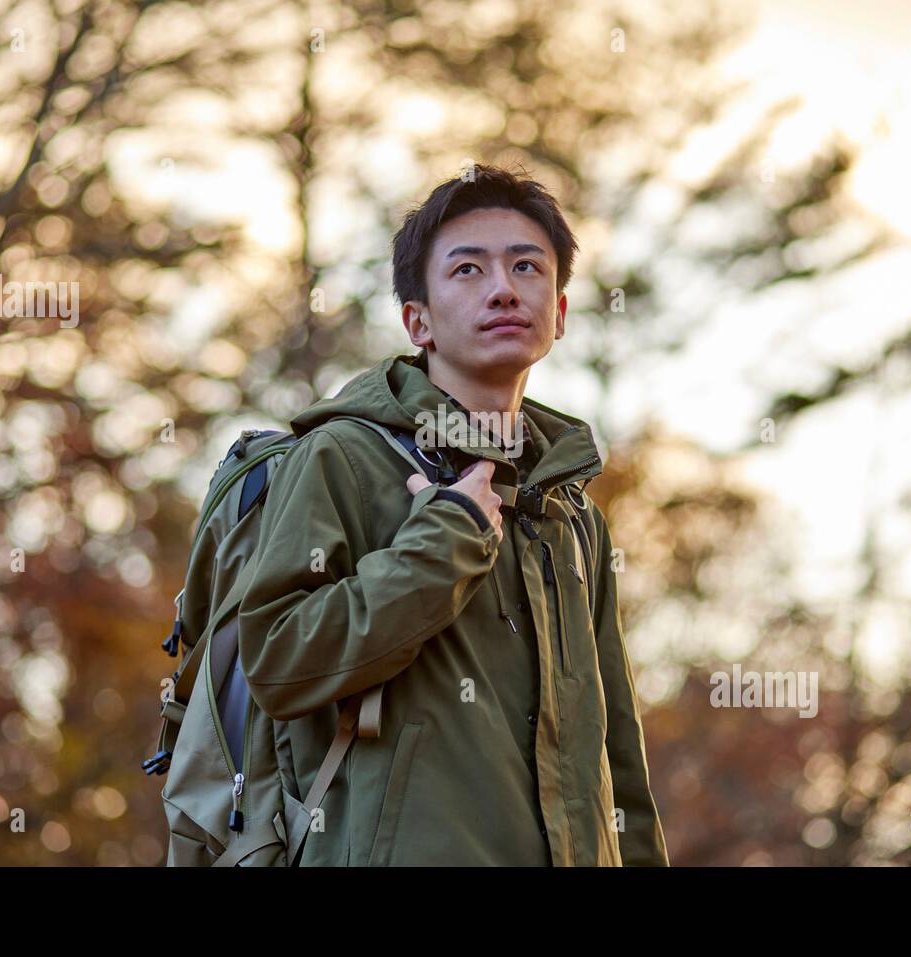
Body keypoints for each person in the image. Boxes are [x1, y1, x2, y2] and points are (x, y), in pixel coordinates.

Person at [237, 164, 670, 866]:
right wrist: (445, 543)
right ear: (419, 320)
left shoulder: (570, 510)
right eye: (468, 270)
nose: (503, 287)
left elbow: (616, 753)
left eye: (527, 266)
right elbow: (281, 661)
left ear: (558, 313)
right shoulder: (341, 457)